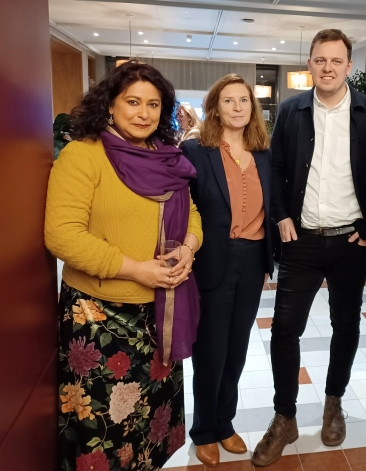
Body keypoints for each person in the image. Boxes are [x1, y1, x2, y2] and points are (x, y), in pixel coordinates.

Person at [45, 61, 203, 471]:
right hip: (100, 320)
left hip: (161, 314)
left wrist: (188, 245)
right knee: (106, 432)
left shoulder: (166, 157)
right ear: (110, 105)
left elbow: (192, 212)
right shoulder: (84, 156)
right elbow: (62, 235)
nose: (143, 113)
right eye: (132, 102)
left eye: (154, 104)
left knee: (151, 424)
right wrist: (136, 269)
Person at [251, 29, 366, 467]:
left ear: (350, 66)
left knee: (346, 324)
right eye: (319, 60)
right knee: (284, 329)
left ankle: (334, 403)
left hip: (351, 240)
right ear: (309, 65)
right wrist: (281, 216)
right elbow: (274, 170)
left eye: (336, 60)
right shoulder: (292, 111)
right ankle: (284, 416)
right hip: (303, 239)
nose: (327, 67)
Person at [180, 74, 274, 468]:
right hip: (213, 259)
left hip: (252, 261)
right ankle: (203, 430)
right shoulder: (197, 151)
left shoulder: (264, 153)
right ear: (214, 107)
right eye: (228, 100)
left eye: (244, 101)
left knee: (237, 351)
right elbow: (182, 206)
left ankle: (225, 422)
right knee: (211, 351)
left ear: (253, 108)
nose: (237, 107)